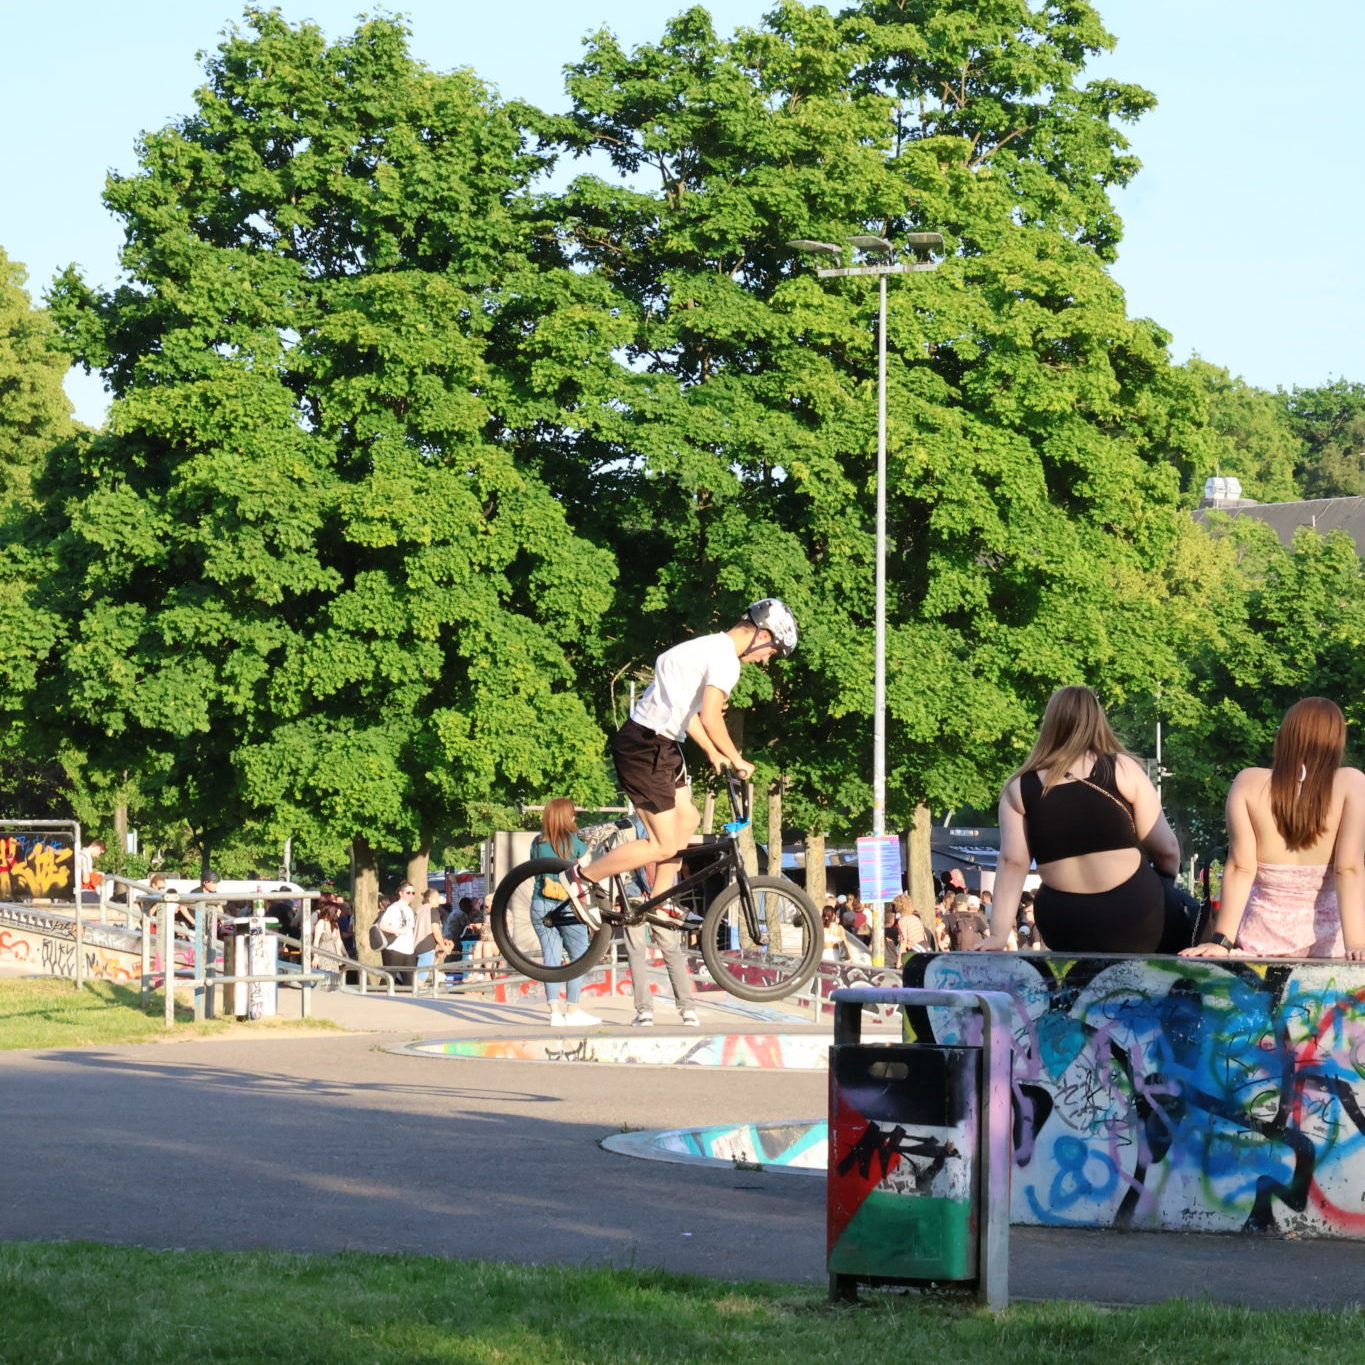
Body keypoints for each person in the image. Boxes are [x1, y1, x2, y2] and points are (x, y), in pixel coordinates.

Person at [557, 598, 798, 926]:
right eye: (771, 652)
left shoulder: (707, 648)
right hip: (644, 747)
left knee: (688, 819)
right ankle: (582, 877)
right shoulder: (725, 661)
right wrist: (737, 758)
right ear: (762, 635)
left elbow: (688, 714)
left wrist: (714, 753)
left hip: (662, 745)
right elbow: (711, 717)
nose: (766, 660)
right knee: (662, 844)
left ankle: (657, 900)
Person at [979, 685, 1180, 954]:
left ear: (1050, 723)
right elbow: (1167, 849)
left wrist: (998, 934)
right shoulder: (1121, 769)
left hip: (1065, 919)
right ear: (1096, 720)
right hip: (1135, 910)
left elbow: (1012, 862)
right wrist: (1166, 882)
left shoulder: (1020, 787)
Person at [1182, 698, 1365, 960]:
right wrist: (1357, 944)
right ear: (1337, 739)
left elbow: (1241, 867)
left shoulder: (1248, 782)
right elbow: (1347, 868)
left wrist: (1221, 942)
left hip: (1263, 941)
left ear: (1286, 735)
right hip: (1330, 945)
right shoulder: (1352, 783)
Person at [530, 801, 603, 1026]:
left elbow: (532, 869)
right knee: (579, 956)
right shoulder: (575, 842)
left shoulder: (538, 842)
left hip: (540, 902)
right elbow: (586, 873)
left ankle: (554, 1011)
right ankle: (572, 1009)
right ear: (567, 817)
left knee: (550, 958)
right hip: (568, 904)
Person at [376, 882, 418, 986]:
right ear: (401, 893)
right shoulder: (394, 908)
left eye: (413, 893)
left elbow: (410, 930)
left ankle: (408, 1000)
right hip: (394, 948)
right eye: (408, 892)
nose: (411, 895)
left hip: (408, 950)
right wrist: (398, 931)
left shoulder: (409, 909)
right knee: (389, 978)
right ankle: (378, 998)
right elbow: (382, 925)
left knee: (410, 981)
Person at [412, 888, 453, 992]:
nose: (438, 901)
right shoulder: (432, 910)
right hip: (427, 945)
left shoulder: (420, 909)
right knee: (421, 976)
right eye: (437, 898)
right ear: (430, 899)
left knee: (420, 973)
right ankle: (417, 997)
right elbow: (435, 930)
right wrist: (444, 947)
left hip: (417, 944)